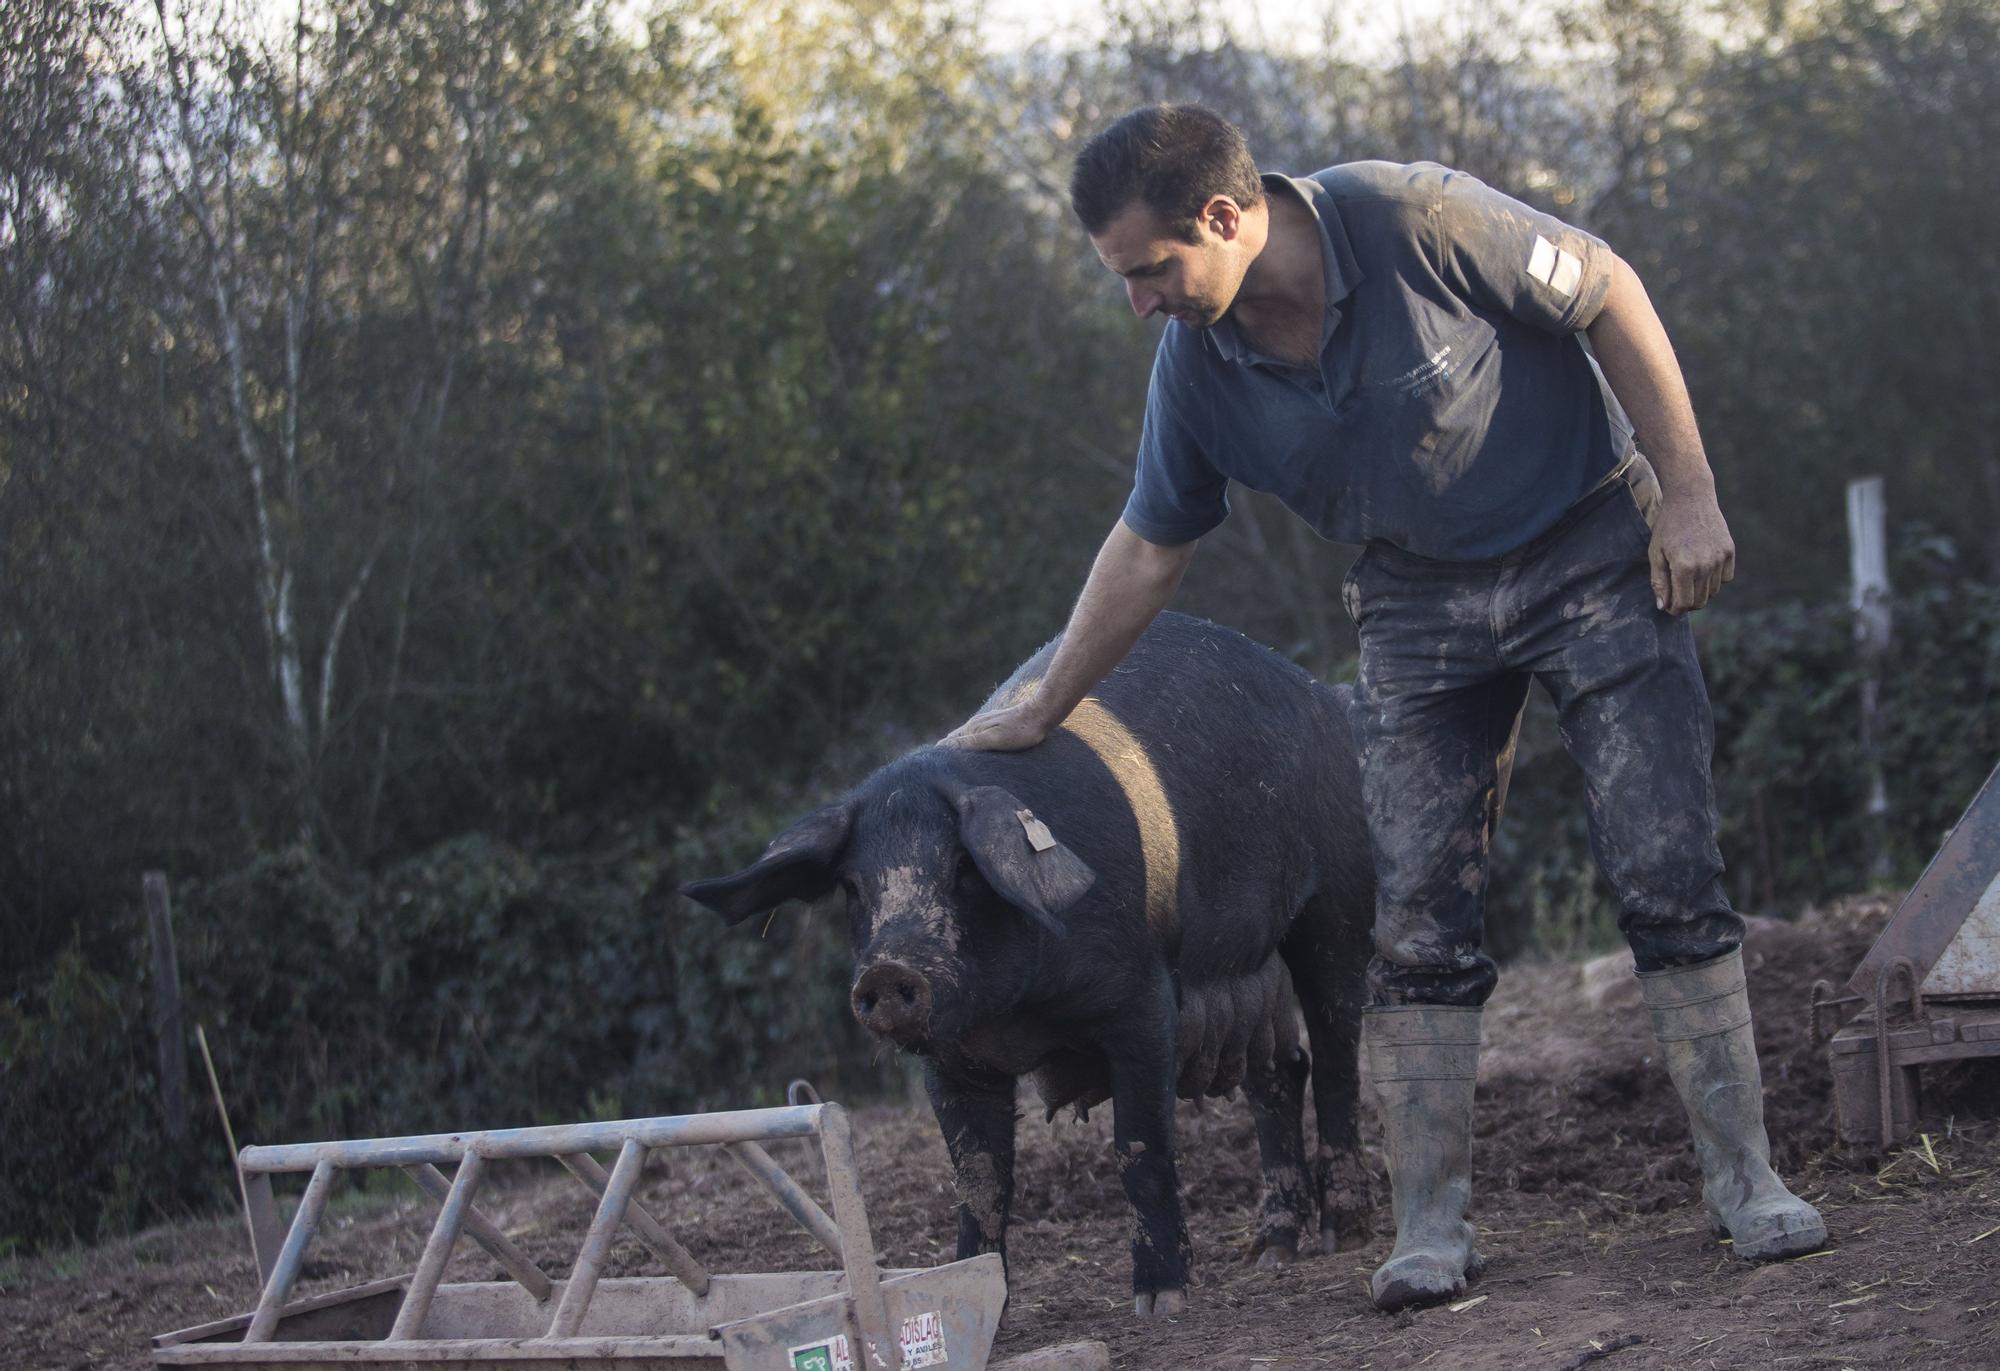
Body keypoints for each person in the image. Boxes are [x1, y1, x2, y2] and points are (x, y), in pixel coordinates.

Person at [945, 104, 1826, 1311]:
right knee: (1410, 914)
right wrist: (1044, 703)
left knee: (1663, 868)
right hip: (1415, 606)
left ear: (1223, 217)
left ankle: (1746, 1185)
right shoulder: (1193, 372)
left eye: (1151, 271)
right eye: (1122, 280)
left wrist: (1687, 492)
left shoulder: (1416, 219)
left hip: (1589, 552)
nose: (1140, 302)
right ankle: (1429, 1226)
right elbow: (1150, 546)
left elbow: (1606, 288)